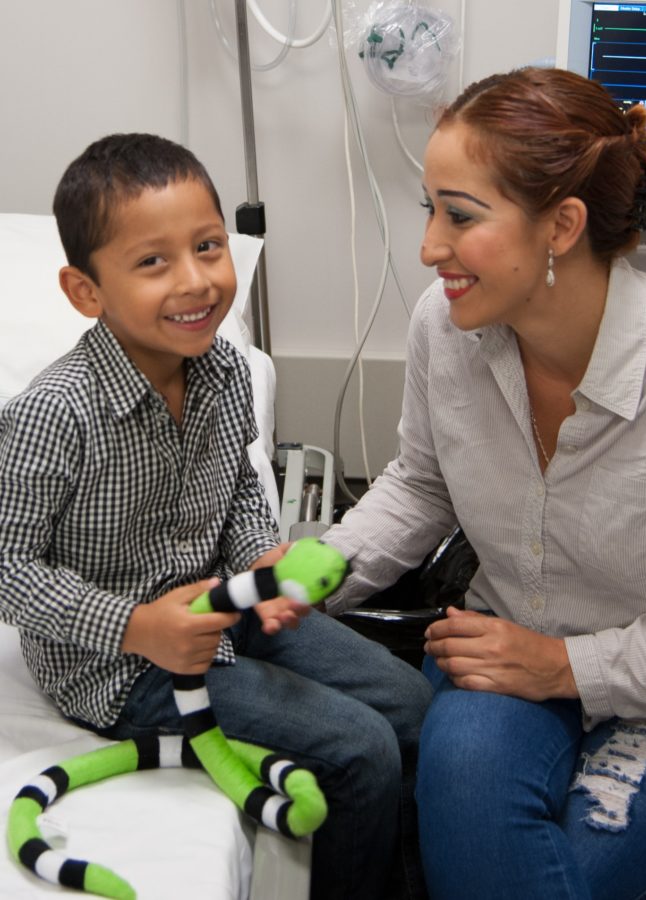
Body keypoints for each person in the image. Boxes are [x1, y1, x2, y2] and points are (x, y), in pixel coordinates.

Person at [322, 67, 646, 898]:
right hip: (504, 651)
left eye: (460, 215)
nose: (429, 246)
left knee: (573, 875)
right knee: (476, 836)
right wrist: (300, 579)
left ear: (563, 225)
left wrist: (567, 666)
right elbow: (421, 485)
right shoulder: (445, 327)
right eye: (429, 209)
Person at [0, 132, 432, 900]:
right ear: (85, 291)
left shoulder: (227, 370)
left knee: (410, 701)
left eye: (207, 246)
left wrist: (261, 561)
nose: (196, 281)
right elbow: (8, 572)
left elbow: (233, 485)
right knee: (361, 749)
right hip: (118, 666)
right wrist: (137, 626)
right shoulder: (52, 415)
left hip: (223, 609)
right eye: (152, 262)